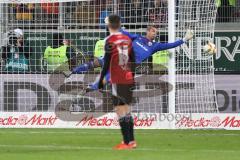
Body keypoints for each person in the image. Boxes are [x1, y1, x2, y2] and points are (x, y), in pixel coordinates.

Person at [98, 14, 136, 150]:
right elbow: (133, 59)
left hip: (117, 79)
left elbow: (106, 63)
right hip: (128, 77)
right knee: (127, 110)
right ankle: (131, 141)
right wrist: (133, 77)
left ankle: (126, 142)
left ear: (108, 25)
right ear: (120, 24)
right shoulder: (127, 39)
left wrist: (101, 80)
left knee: (120, 110)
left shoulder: (110, 40)